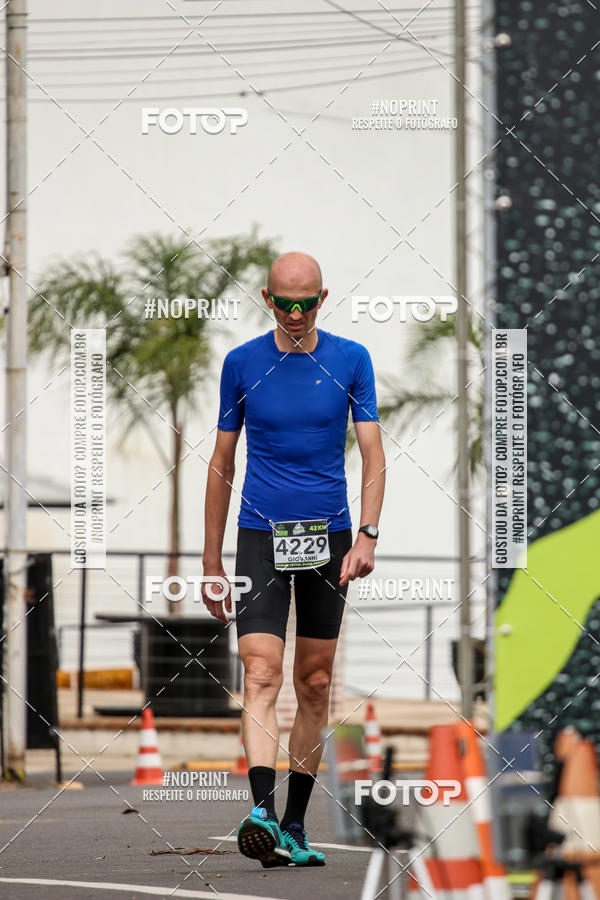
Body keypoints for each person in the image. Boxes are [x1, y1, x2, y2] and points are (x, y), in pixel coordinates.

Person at [202, 251, 385, 868]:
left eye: (308, 302)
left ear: (324, 298)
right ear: (267, 299)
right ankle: (260, 809)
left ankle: (296, 824)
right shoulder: (242, 363)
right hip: (260, 534)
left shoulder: (351, 360)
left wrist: (367, 536)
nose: (298, 313)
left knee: (314, 682)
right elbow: (222, 464)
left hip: (330, 537)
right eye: (287, 303)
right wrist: (210, 560)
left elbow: (373, 454)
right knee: (260, 672)